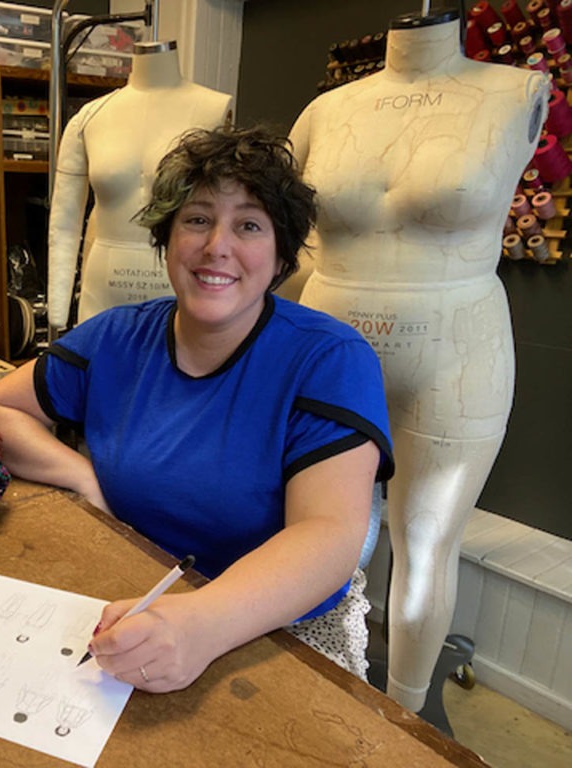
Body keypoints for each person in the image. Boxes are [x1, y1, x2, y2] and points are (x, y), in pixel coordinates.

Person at [0, 126, 394, 692]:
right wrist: (84, 478)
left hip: (273, 629)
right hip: (135, 596)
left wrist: (201, 624)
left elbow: (329, 537)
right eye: (197, 219)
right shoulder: (115, 338)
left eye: (248, 225)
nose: (216, 245)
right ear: (167, 239)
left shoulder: (330, 360)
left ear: (279, 258)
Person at [286, 9, 549, 712]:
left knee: (427, 544)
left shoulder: (516, 90)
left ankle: (405, 717)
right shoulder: (324, 112)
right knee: (317, 528)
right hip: (326, 342)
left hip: (456, 349)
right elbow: (291, 246)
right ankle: (318, 681)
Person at [47, 40, 232, 330]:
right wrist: (56, 311)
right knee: (100, 370)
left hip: (178, 283)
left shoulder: (214, 109)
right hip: (102, 287)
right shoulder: (90, 117)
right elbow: (64, 222)